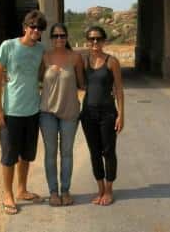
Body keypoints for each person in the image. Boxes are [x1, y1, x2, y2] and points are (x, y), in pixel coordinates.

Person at [0, 10, 47, 215]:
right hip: (11, 111)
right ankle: (8, 194)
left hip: (32, 110)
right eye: (33, 26)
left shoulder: (41, 49)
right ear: (25, 27)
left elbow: (44, 73)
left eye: (40, 28)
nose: (36, 31)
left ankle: (22, 189)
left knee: (26, 155)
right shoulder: (8, 46)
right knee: (9, 156)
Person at [39, 23, 85, 207]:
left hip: (70, 112)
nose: (59, 39)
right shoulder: (45, 57)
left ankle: (65, 190)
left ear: (67, 37)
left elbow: (82, 83)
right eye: (56, 36)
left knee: (66, 153)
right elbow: (37, 79)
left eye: (62, 36)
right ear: (51, 38)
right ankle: (53, 192)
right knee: (50, 154)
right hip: (47, 112)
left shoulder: (75, 58)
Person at [80, 25, 125, 206]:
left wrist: (121, 115)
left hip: (108, 113)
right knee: (94, 152)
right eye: (91, 39)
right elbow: (78, 82)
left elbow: (119, 89)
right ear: (87, 42)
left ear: (104, 41)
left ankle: (109, 189)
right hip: (88, 113)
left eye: (98, 39)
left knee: (108, 151)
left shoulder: (111, 62)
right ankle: (99, 188)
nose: (95, 42)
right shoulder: (83, 62)